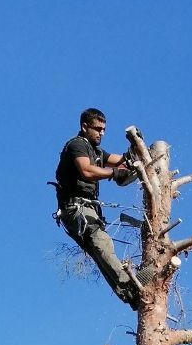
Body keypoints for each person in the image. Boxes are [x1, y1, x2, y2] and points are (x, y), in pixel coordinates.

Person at [54, 108, 151, 306]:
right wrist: (114, 173)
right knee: (102, 243)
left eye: (104, 129)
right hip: (76, 208)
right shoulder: (77, 145)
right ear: (84, 126)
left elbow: (118, 160)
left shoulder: (96, 150)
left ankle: (130, 295)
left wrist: (133, 151)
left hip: (86, 208)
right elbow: (87, 171)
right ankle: (129, 286)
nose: (102, 133)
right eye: (98, 129)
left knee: (100, 250)